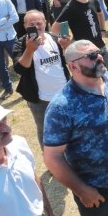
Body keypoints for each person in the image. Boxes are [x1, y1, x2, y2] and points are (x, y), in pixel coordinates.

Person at [43, 40, 108, 216]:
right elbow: (52, 158)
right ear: (73, 66)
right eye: (91, 56)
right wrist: (82, 190)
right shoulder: (62, 105)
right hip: (96, 188)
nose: (99, 57)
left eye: (98, 52)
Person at [12, 10, 70, 147]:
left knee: (69, 124)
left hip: (64, 93)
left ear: (45, 23)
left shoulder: (55, 38)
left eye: (39, 23)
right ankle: (50, 158)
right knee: (45, 130)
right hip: (40, 99)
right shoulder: (20, 44)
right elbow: (20, 69)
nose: (37, 26)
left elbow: (69, 61)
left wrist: (66, 46)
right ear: (25, 26)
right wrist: (30, 50)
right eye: (32, 24)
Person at [52, 0, 108, 70]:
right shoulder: (70, 7)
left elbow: (100, 13)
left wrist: (103, 30)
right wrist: (67, 41)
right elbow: (55, 27)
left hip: (100, 45)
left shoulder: (93, 1)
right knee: (95, 75)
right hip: (85, 51)